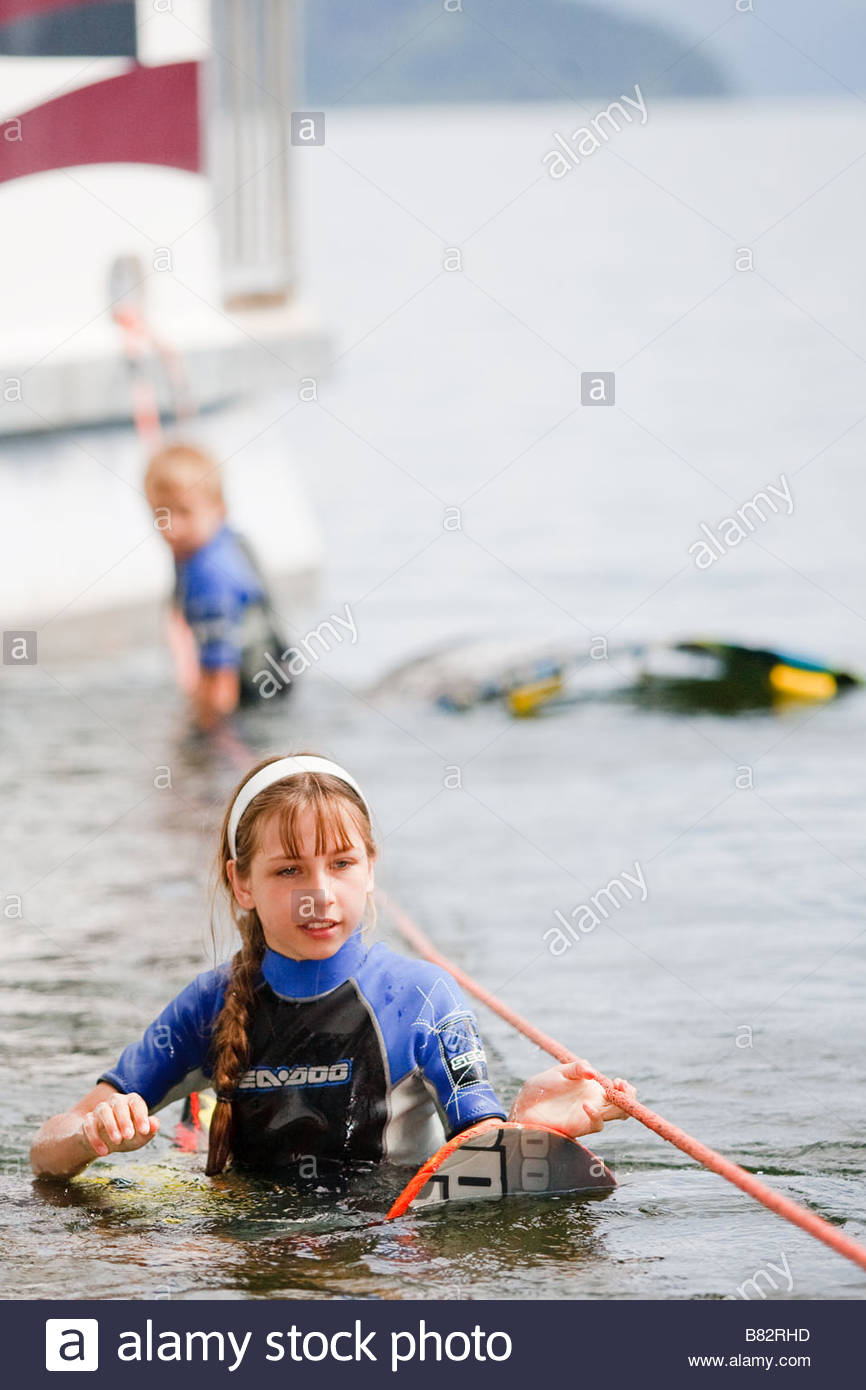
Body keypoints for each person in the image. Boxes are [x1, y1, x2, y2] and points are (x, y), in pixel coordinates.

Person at [30, 755, 635, 1182]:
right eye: (289, 870)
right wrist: (90, 1135)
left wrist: (527, 1124)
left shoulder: (420, 997)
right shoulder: (208, 1005)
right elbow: (43, 1153)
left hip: (388, 1244)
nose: (320, 894)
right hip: (251, 1250)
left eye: (341, 864)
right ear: (241, 882)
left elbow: (478, 1157)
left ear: (370, 868)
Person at [144, 442, 296, 729]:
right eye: (160, 514)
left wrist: (205, 730)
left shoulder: (211, 579)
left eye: (184, 512)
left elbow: (221, 685)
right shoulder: (220, 543)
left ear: (220, 508)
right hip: (278, 683)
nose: (171, 527)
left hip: (253, 704)